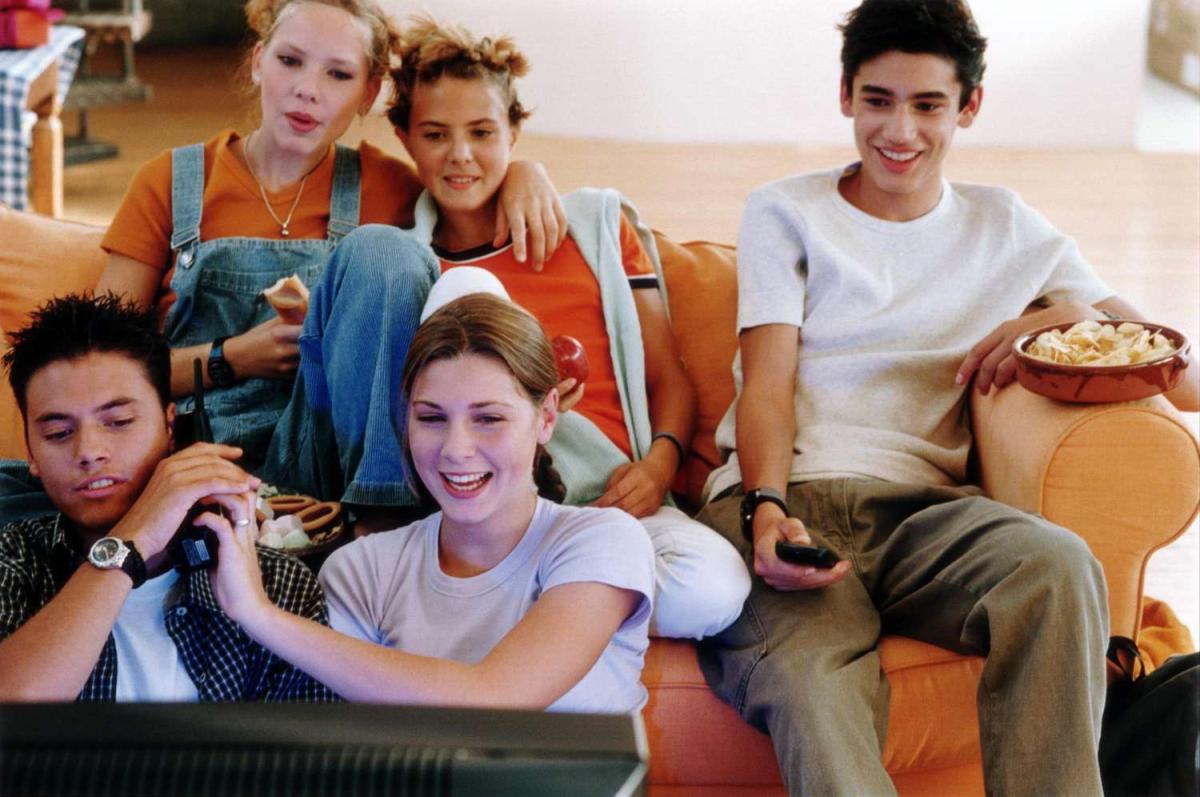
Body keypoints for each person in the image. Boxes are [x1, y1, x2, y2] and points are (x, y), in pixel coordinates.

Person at [695, 1, 1198, 794]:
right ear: (846, 96)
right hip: (790, 502)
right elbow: (766, 384)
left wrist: (1073, 310)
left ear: (969, 106)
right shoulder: (785, 211)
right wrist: (765, 506)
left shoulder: (1009, 227)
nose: (899, 131)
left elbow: (1186, 378)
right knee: (812, 683)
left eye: (928, 105)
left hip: (928, 515)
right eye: (878, 100)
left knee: (1060, 565)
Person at [58, 0, 569, 530]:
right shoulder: (171, 181)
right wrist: (233, 357)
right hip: (197, 459)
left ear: (368, 93)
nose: (308, 89)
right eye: (290, 61)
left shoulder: (389, 187)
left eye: (339, 74)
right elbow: (95, 374)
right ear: (258, 61)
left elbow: (469, 202)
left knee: (383, 250)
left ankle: (383, 525)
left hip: (329, 463)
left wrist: (523, 170)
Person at [376, 17, 750, 640]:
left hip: (610, 509)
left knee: (711, 590)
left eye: (483, 132)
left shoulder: (596, 229)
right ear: (404, 138)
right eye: (435, 135)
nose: (461, 155)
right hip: (484, 513)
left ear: (516, 132)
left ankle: (521, 608)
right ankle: (538, 595)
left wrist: (658, 468)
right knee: (468, 296)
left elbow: (669, 378)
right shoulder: (408, 264)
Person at [208, 293, 656, 712]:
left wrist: (259, 614)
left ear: (547, 418)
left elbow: (495, 698)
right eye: (432, 418)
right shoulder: (363, 569)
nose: (456, 449)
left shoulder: (603, 541)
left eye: (488, 418)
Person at [0, 293, 333, 702]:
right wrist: (132, 540)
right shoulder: (12, 562)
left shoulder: (276, 583)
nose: (88, 451)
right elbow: (12, 713)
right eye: (58, 434)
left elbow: (304, 762)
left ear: (170, 427)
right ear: (31, 454)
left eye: (119, 422)